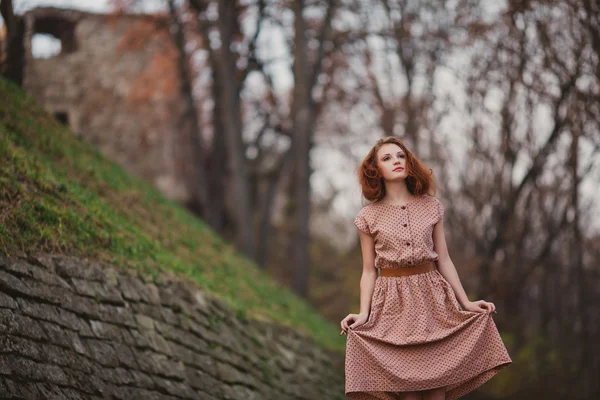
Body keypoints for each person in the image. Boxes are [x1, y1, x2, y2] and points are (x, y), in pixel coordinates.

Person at [340, 137, 512, 400]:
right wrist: (363, 313)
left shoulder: (431, 206)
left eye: (400, 156)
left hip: (433, 299)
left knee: (437, 388)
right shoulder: (368, 217)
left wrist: (466, 301)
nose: (396, 161)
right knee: (409, 391)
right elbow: (368, 271)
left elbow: (444, 259)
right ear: (376, 171)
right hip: (392, 305)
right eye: (386, 158)